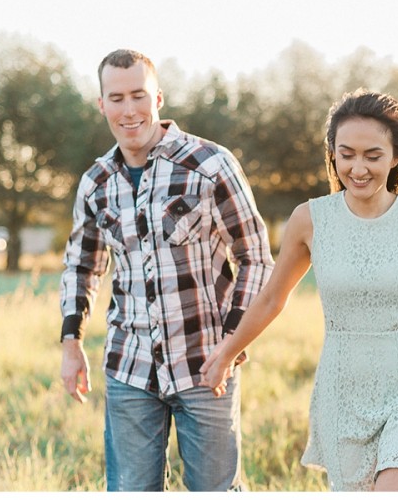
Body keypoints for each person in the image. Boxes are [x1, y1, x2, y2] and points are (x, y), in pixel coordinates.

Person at [200, 89, 398, 491]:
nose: (358, 168)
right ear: (333, 154)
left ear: (395, 157)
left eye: (373, 155)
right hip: (344, 394)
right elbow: (271, 299)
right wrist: (226, 353)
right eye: (347, 154)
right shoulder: (309, 220)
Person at [59, 49, 274, 492]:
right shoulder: (96, 182)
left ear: (159, 97)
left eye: (139, 95)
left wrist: (231, 344)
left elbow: (255, 257)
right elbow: (82, 266)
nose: (129, 109)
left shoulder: (210, 165)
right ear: (102, 105)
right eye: (116, 98)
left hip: (205, 366)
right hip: (129, 368)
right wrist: (71, 341)